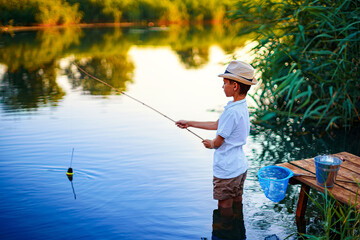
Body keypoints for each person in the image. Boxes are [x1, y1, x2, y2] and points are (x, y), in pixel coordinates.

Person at [176, 61, 257, 211]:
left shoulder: (231, 112)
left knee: (224, 205)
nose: (222, 86)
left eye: (224, 83)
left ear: (235, 86)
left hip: (227, 170)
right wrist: (189, 123)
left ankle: (225, 231)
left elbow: (218, 142)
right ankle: (238, 228)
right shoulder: (241, 106)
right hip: (240, 166)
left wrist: (211, 144)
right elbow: (216, 124)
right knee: (237, 199)